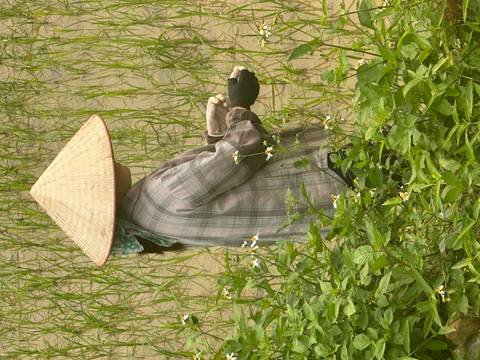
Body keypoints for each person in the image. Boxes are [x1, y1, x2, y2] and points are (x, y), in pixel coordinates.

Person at [111, 66, 349, 256]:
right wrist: (240, 105)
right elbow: (240, 155)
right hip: (323, 175)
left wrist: (217, 135)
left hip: (325, 211)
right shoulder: (159, 194)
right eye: (107, 166)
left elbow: (224, 193)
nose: (113, 159)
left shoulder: (148, 223)